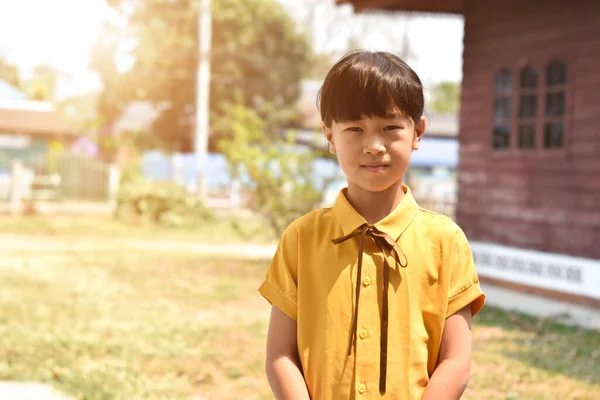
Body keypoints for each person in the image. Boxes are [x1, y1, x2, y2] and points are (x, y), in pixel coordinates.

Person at [259, 50, 486, 400]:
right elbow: (280, 355)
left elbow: (455, 361)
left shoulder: (445, 241)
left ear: (418, 131)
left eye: (390, 127)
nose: (374, 145)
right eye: (354, 128)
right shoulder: (301, 239)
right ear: (329, 136)